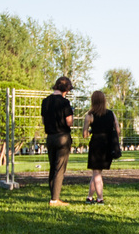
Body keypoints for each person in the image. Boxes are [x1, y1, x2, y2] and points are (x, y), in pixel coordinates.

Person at [83, 90, 120, 204]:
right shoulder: (111, 114)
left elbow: (85, 135)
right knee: (97, 172)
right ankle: (89, 197)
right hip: (108, 144)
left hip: (96, 144)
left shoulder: (90, 116)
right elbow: (118, 130)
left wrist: (91, 130)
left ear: (93, 101)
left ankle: (100, 198)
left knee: (96, 173)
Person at [42, 76, 75, 206]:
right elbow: (69, 122)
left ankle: (53, 196)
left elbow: (44, 121)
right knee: (59, 168)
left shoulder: (45, 101)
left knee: (52, 168)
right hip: (62, 137)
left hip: (50, 137)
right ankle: (55, 200)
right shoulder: (64, 103)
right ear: (65, 90)